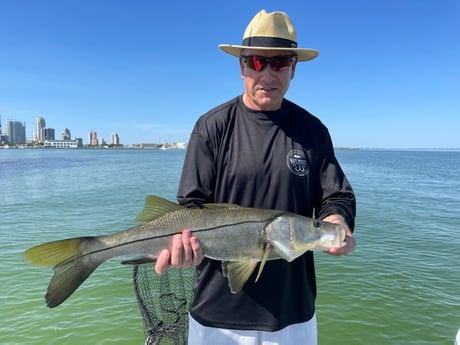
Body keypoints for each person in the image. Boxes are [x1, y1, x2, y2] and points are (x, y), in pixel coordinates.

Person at [155, 9, 356, 344]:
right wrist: (182, 247)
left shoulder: (312, 131)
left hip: (293, 316)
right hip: (215, 318)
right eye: (257, 62)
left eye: (278, 63)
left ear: (293, 68)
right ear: (242, 66)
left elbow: (336, 197)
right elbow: (191, 206)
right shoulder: (212, 127)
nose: (268, 73)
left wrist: (335, 218)